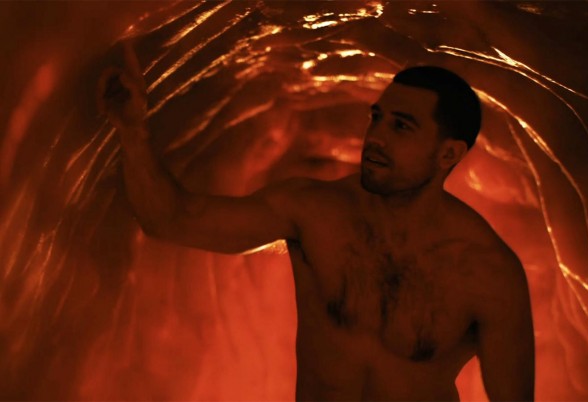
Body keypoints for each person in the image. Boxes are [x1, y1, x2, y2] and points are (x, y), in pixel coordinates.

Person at [98, 41, 535, 402]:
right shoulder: (315, 211)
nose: (377, 137)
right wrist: (133, 132)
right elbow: (172, 220)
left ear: (448, 154)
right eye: (377, 118)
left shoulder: (488, 274)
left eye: (401, 127)